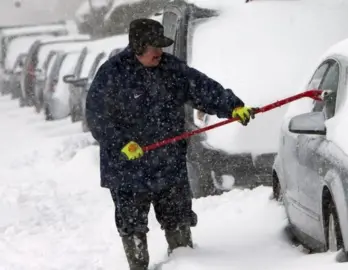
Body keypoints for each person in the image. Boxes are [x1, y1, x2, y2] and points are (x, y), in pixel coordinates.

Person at [85, 18, 256, 270]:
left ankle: (183, 262)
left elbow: (203, 88)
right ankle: (138, 264)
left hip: (167, 162)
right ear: (138, 46)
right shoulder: (112, 74)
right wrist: (121, 143)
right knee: (132, 225)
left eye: (161, 46)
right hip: (127, 168)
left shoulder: (171, 69)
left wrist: (233, 106)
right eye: (154, 47)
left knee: (178, 219)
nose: (159, 52)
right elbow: (96, 116)